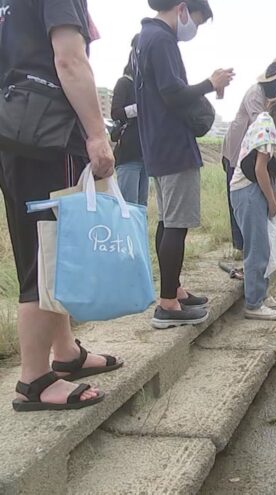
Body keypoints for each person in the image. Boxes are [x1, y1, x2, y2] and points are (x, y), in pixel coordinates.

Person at [0, 0, 123, 411]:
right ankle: (34, 378)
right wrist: (96, 135)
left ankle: (66, 352)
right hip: (50, 134)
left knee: (33, 250)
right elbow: (70, 59)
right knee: (50, 255)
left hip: (15, 128)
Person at [137, 0, 233, 328]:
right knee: (175, 225)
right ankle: (167, 304)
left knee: (167, 222)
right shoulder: (162, 39)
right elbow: (173, 93)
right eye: (197, 20)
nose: (194, 28)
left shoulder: (144, 38)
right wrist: (211, 83)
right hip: (174, 146)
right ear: (182, 9)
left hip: (157, 145)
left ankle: (173, 290)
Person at [229, 89, 276, 320]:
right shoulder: (265, 124)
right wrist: (274, 203)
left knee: (264, 246)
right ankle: (253, 304)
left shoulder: (270, 124)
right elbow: (259, 169)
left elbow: (272, 159)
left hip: (254, 190)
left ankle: (261, 295)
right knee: (258, 248)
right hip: (249, 191)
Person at [222, 57, 276, 258]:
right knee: (241, 202)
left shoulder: (275, 104)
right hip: (237, 153)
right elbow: (264, 124)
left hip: (256, 155)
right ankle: (241, 248)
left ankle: (251, 247)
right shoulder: (255, 95)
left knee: (255, 203)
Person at [111, 34, 147, 206]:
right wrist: (141, 108)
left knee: (141, 207)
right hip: (128, 154)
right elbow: (115, 113)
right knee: (128, 207)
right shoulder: (124, 83)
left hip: (146, 156)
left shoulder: (146, 86)